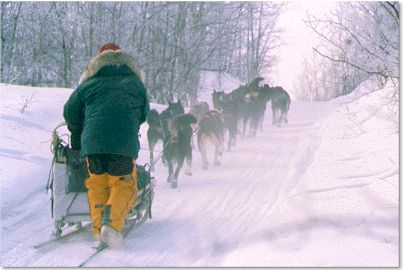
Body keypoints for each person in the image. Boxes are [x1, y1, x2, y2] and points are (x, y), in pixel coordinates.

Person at [63, 43, 150, 248]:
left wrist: (77, 137)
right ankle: (111, 225)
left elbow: (70, 112)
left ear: (99, 60)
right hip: (122, 145)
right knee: (124, 184)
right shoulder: (136, 84)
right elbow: (144, 113)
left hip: (93, 146)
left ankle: (98, 232)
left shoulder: (89, 83)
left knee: (97, 185)